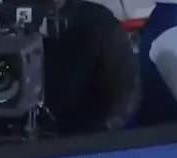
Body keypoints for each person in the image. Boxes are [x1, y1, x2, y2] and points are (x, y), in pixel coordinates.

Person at [42, 0, 141, 133]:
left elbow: (127, 88)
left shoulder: (96, 21)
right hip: (18, 141)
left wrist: (102, 135)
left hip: (87, 138)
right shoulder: (7, 21)